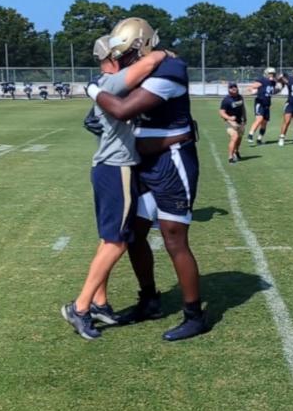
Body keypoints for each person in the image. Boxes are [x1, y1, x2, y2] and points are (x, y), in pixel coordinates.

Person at [88, 17, 209, 341]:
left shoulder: (171, 69)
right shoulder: (143, 68)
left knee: (173, 238)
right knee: (134, 235)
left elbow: (125, 109)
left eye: (125, 53)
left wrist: (94, 90)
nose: (121, 60)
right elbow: (103, 115)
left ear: (140, 46)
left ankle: (194, 314)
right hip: (143, 162)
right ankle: (149, 300)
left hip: (172, 162)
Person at [62, 38, 170, 340]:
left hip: (110, 169)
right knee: (117, 242)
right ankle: (80, 308)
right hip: (116, 169)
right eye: (125, 53)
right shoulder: (112, 80)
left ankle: (98, 303)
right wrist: (164, 53)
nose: (133, 56)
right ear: (113, 56)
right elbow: (148, 65)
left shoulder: (106, 82)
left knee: (108, 239)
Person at [247, 67, 278, 145]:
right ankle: (250, 135)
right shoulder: (262, 80)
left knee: (264, 123)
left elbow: (272, 91)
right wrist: (253, 91)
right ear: (266, 74)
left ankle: (259, 139)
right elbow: (251, 87)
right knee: (259, 119)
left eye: (273, 74)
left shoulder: (273, 82)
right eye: (270, 74)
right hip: (260, 103)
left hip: (267, 104)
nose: (272, 75)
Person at [219, 82, 246, 163]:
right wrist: (229, 118)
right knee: (235, 137)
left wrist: (245, 117)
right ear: (229, 89)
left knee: (239, 138)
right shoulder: (226, 100)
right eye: (231, 87)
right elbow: (221, 112)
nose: (234, 88)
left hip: (239, 121)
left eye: (235, 87)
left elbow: (242, 108)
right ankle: (230, 157)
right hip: (230, 122)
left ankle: (236, 151)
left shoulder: (240, 97)